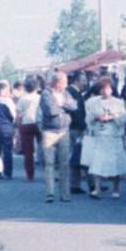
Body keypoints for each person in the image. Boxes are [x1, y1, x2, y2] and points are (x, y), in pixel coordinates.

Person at [80, 76, 126, 198]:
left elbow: (123, 118)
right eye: (102, 89)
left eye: (106, 88)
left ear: (111, 89)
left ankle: (115, 189)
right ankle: (97, 188)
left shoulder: (118, 103)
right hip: (100, 136)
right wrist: (96, 118)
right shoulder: (93, 102)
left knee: (115, 162)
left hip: (114, 136)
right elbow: (88, 119)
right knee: (98, 162)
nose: (104, 91)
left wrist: (112, 117)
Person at [38, 73, 73, 202]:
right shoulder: (46, 94)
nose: (67, 85)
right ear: (57, 83)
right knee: (49, 163)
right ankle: (50, 193)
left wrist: (61, 105)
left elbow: (74, 106)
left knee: (64, 163)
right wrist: (64, 107)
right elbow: (50, 111)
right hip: (49, 132)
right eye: (65, 82)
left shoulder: (65, 94)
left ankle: (64, 194)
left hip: (64, 131)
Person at [0, 80, 18, 179]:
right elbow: (13, 116)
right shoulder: (8, 101)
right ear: (2, 90)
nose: (8, 92)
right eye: (6, 90)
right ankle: (7, 173)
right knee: (7, 151)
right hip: (6, 127)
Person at [65, 72, 90, 194]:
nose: (85, 82)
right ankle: (81, 184)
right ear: (76, 81)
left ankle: (77, 184)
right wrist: (83, 128)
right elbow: (77, 112)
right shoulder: (73, 93)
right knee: (79, 155)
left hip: (73, 127)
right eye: (83, 80)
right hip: (76, 128)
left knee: (77, 155)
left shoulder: (72, 92)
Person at [15, 78, 42, 183]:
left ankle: (30, 175)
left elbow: (18, 115)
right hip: (39, 124)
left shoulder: (22, 99)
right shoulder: (40, 98)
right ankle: (47, 171)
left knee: (28, 152)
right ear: (36, 88)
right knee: (43, 148)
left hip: (26, 124)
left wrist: (18, 127)